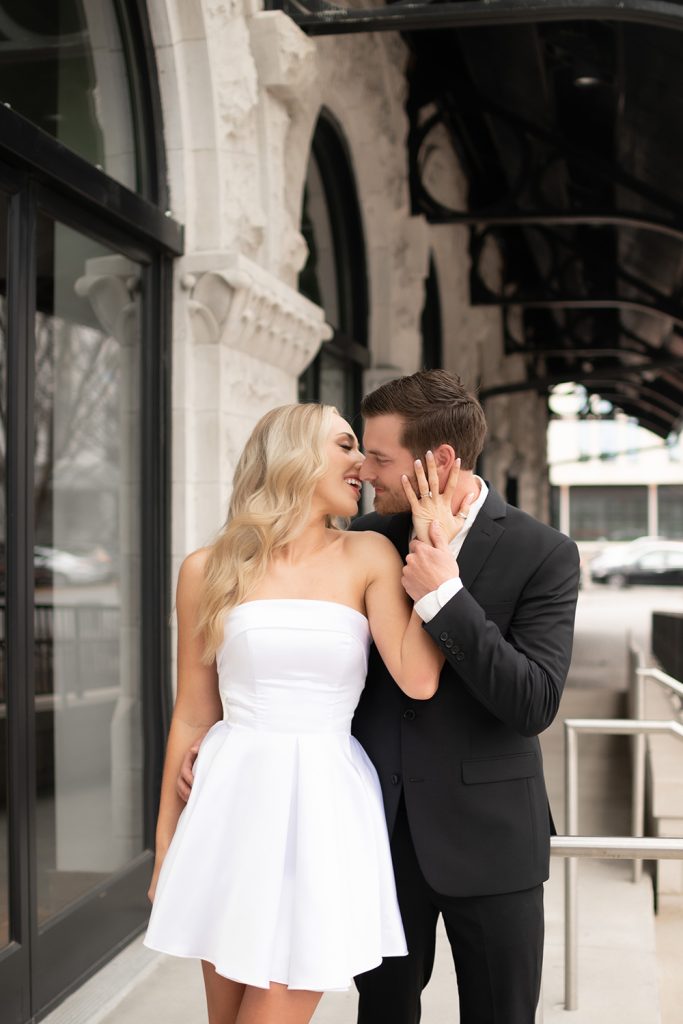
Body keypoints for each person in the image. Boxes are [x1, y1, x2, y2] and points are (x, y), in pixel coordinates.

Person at [144, 402, 472, 1024]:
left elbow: (420, 678)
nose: (363, 465)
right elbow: (191, 714)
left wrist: (436, 549)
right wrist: (166, 845)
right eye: (347, 447)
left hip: (325, 810)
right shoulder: (205, 570)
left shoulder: (369, 555)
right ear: (293, 456)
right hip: (228, 809)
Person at [349, 369, 580, 1024]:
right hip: (382, 836)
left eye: (379, 456)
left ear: (439, 461)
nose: (365, 470)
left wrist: (444, 594)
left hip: (493, 842)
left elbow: (532, 701)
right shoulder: (366, 540)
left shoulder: (544, 554)